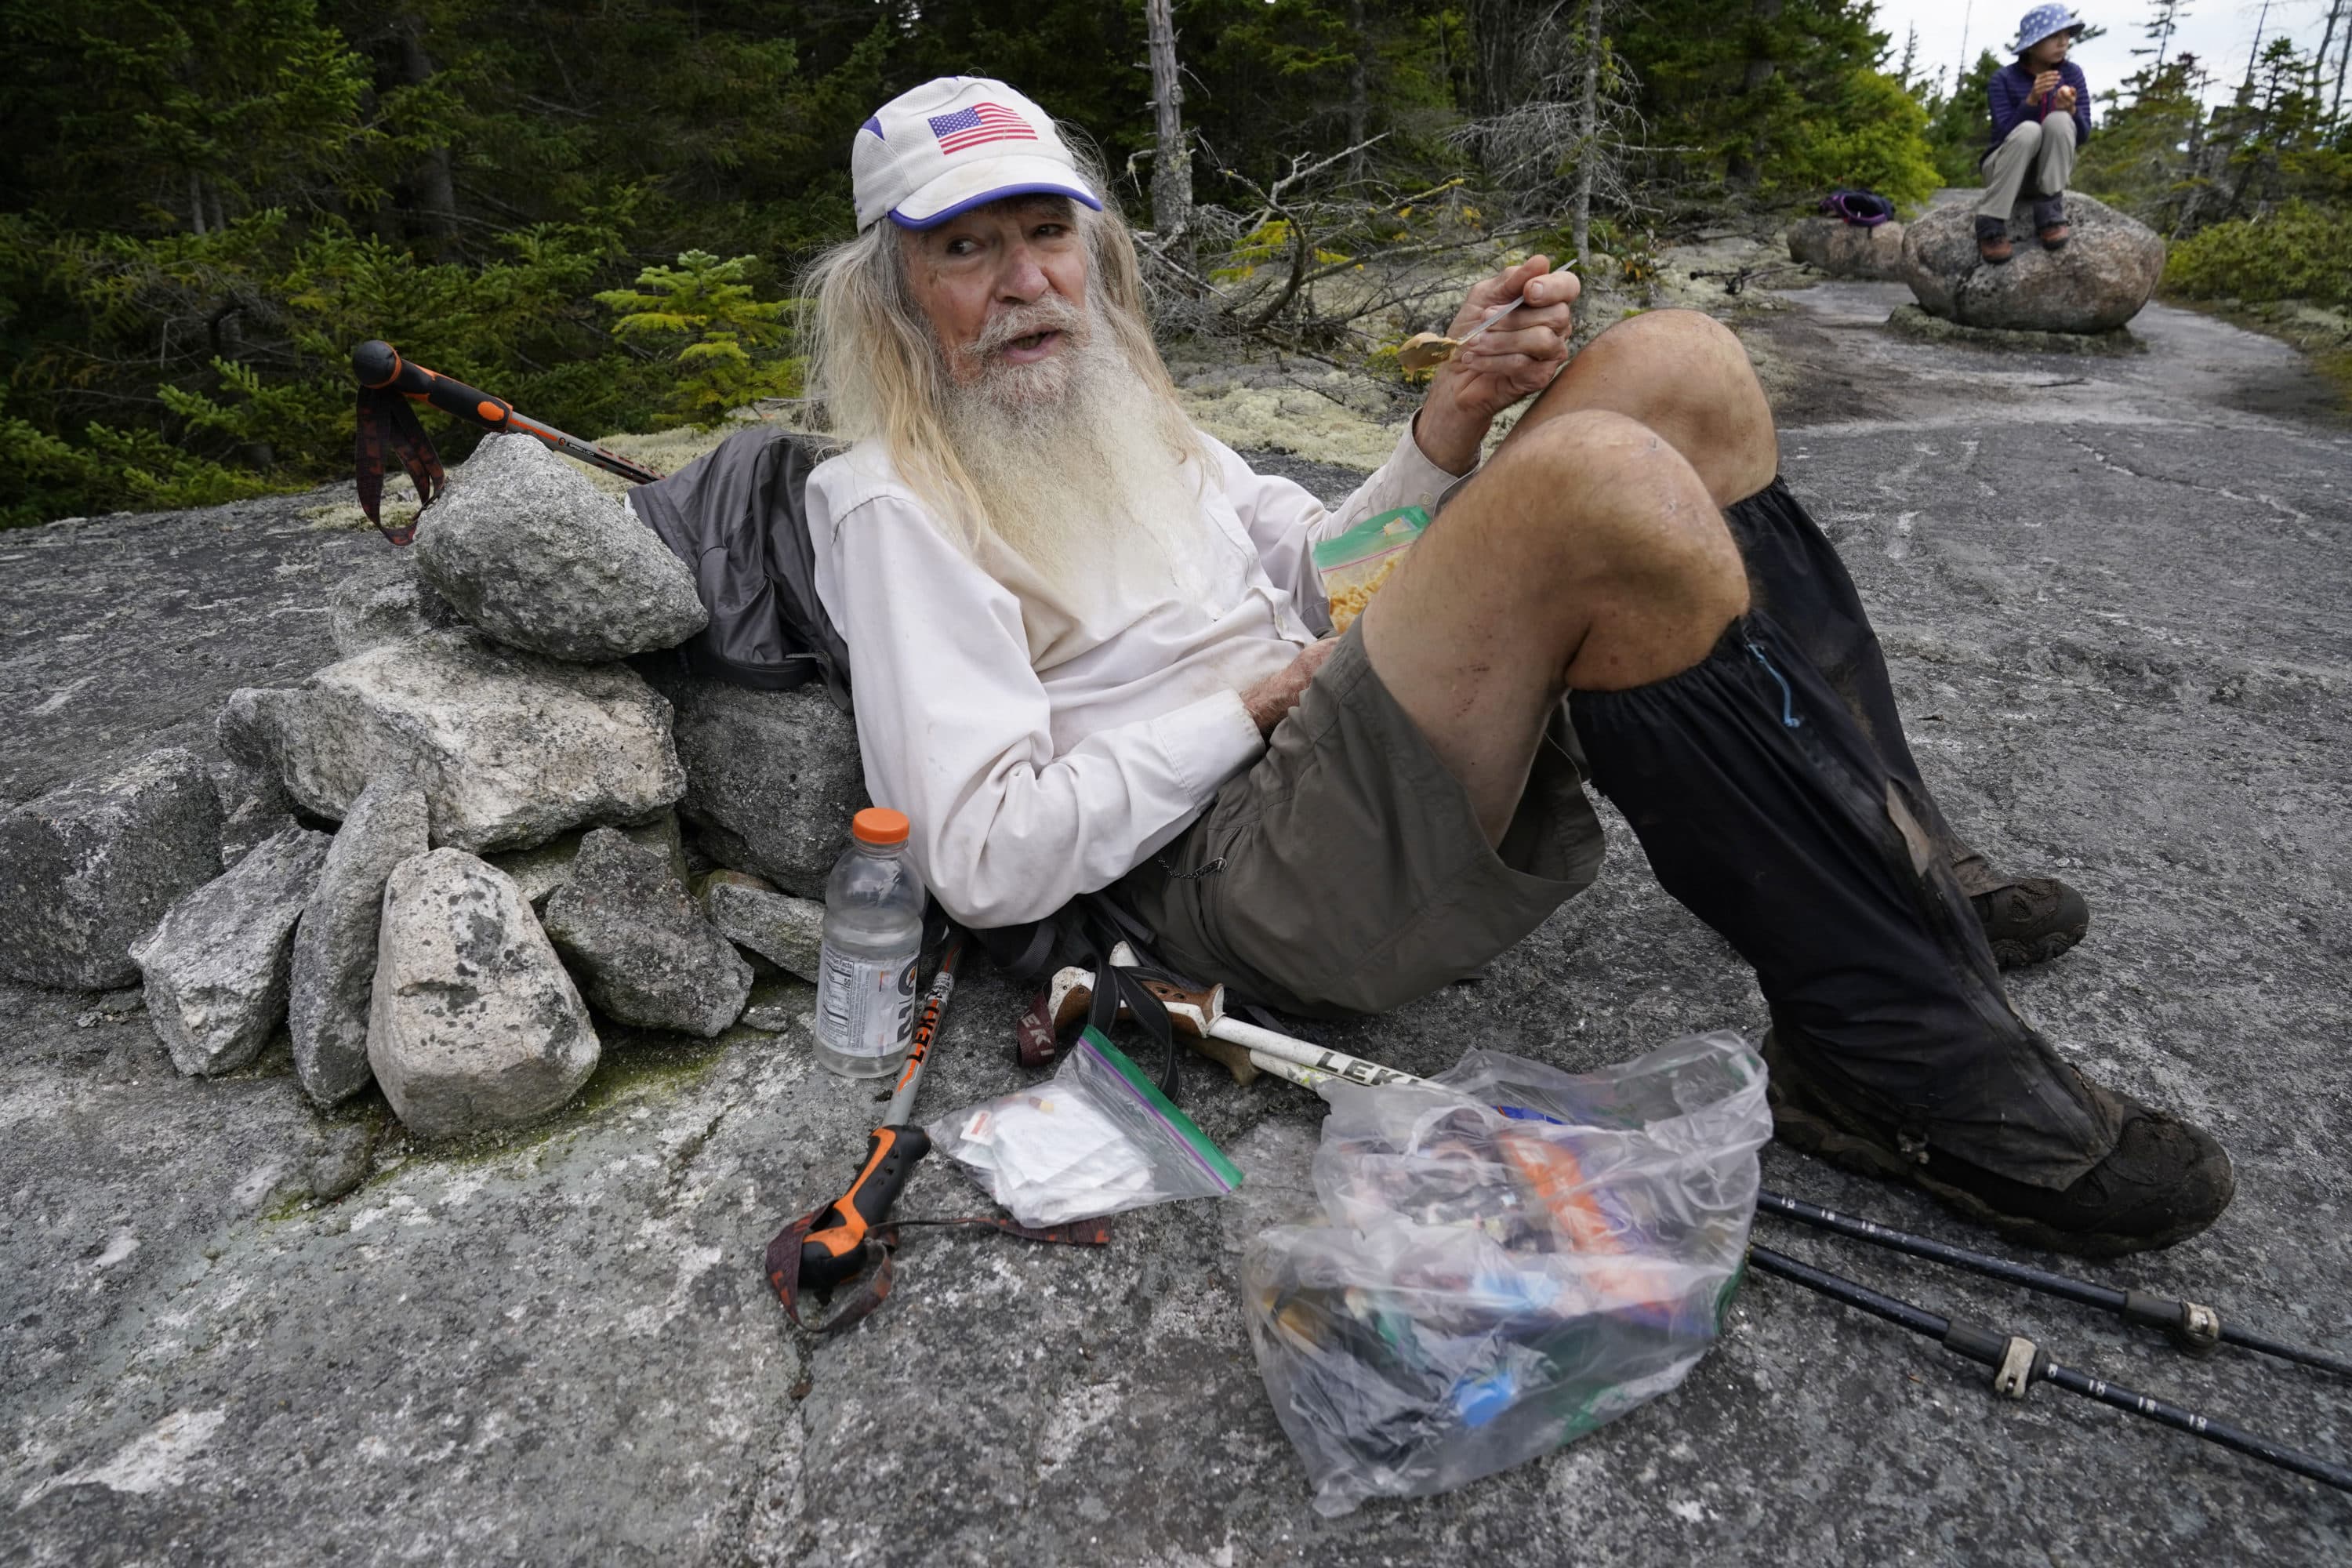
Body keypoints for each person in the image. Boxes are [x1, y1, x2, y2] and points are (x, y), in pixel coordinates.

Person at [800, 76, 2231, 1257]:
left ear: (1094, 250)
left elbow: (1315, 574)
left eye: (1044, 231)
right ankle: (1887, 1060)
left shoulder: (1122, 409)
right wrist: (1246, 704)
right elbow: (979, 858)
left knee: (1681, 364)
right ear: (892, 293)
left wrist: (1454, 415)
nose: (1022, 281)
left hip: (1329, 734)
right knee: (1598, 481)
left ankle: (1906, 859)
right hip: (1229, 876)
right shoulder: (896, 499)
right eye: (963, 249)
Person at [1979, 5, 2095, 263]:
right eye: (2055, 36)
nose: (2063, 42)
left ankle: (2049, 211)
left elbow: (2084, 136)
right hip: (2003, 172)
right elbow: (2002, 135)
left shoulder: (2072, 74)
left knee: (2060, 120)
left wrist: (2072, 111)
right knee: (2030, 129)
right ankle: (1991, 222)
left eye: (2066, 35)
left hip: (2045, 176)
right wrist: (2031, 101)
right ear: (2032, 45)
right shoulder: (2004, 79)